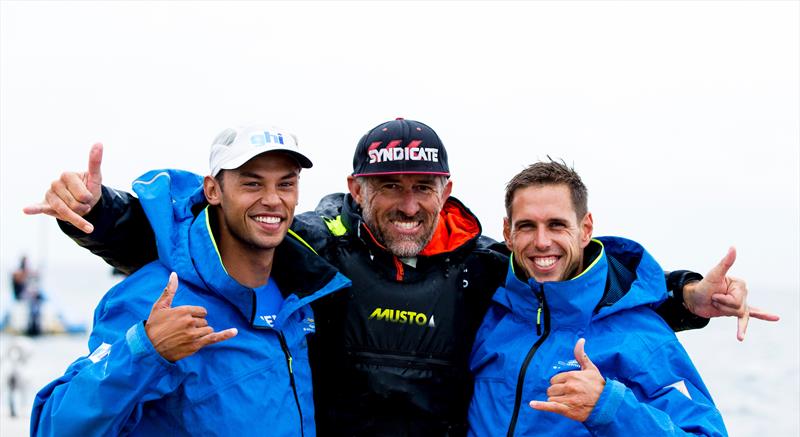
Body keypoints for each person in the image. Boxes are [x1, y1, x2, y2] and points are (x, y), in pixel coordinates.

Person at [25, 118, 777, 436]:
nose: (408, 204)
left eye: (424, 187)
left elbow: (575, 279)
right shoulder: (314, 251)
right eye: (390, 188)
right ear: (357, 191)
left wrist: (683, 296)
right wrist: (105, 212)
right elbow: (209, 230)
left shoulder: (485, 267)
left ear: (448, 191)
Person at [29, 124, 350, 436]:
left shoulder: (301, 298)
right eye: (252, 184)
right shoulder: (157, 297)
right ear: (213, 190)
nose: (272, 199)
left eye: (285, 184)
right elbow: (52, 427)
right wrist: (144, 349)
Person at [468, 161, 726, 436]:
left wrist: (610, 407)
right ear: (508, 233)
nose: (542, 241)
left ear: (586, 229)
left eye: (557, 225)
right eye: (527, 226)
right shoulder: (483, 308)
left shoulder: (640, 335)